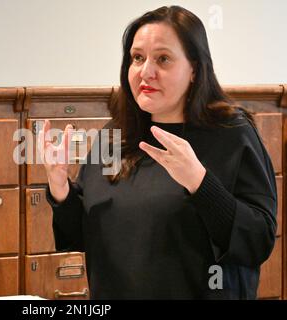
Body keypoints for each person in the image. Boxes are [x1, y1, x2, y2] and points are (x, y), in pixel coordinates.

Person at [38, 5, 277, 299]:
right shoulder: (115, 135)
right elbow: (88, 235)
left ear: (194, 69)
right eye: (137, 58)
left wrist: (200, 183)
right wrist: (61, 190)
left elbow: (258, 240)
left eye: (163, 59)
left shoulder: (232, 134)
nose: (145, 72)